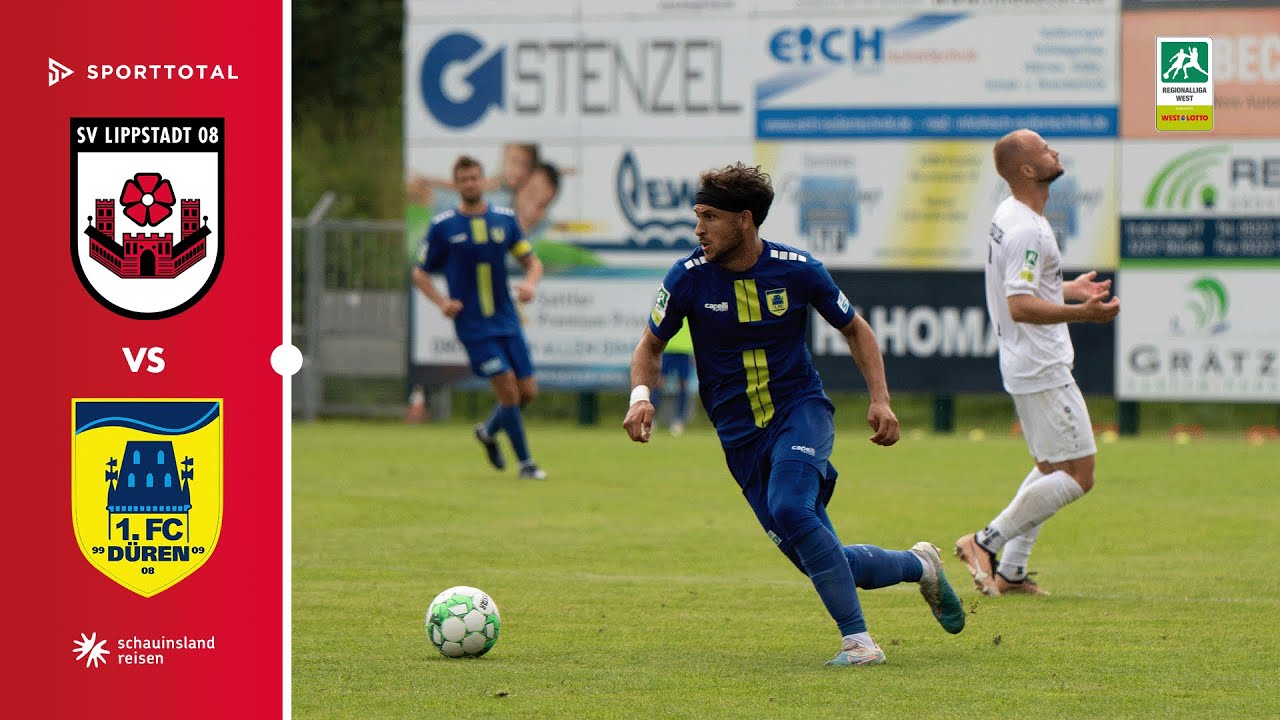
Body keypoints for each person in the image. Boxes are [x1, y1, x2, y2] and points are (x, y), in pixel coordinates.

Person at [622, 162, 965, 667]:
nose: (698, 229)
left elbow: (856, 329)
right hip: (740, 438)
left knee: (790, 507)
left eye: (709, 217)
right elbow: (650, 346)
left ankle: (859, 644)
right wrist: (641, 396)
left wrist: (880, 399)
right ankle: (920, 566)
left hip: (799, 412)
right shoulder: (687, 277)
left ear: (744, 220)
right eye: (698, 216)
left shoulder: (798, 268)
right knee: (824, 561)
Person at [954, 129, 1120, 596]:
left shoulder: (1010, 213)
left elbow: (1023, 286)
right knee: (1078, 475)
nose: (1055, 151)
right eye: (1045, 150)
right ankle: (983, 542)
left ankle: (1010, 571)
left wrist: (1068, 289)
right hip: (1041, 365)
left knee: (1051, 468)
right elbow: (1021, 304)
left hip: (1025, 362)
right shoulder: (1028, 228)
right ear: (1027, 170)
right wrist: (1084, 314)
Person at [413, 155, 549, 481]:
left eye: (474, 178)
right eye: (463, 180)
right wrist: (441, 302)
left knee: (528, 392)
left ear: (482, 181)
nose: (470, 184)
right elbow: (420, 273)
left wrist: (530, 285)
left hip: (507, 321)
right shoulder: (444, 226)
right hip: (474, 327)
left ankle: (488, 432)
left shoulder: (504, 220)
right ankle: (527, 464)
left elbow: (533, 262)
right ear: (456, 184)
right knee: (508, 391)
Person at [651, 323, 694, 436]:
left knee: (683, 385)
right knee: (658, 383)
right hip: (667, 348)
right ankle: (651, 418)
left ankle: (679, 421)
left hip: (685, 350)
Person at [514, 161, 561, 238]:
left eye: (542, 205)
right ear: (518, 187)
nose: (531, 211)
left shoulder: (548, 234)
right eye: (531, 195)